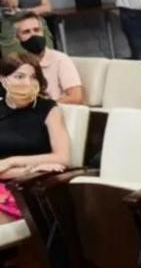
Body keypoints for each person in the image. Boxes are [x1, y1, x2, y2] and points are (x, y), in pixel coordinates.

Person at [0, 53, 70, 223]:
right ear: (3, 79)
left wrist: (12, 161)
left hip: (30, 186)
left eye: (33, 77)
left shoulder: (48, 109)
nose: (27, 83)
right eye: (19, 76)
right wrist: (25, 169)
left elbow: (62, 157)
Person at [11, 13, 84, 104]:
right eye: (26, 32)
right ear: (17, 39)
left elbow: (76, 97)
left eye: (37, 30)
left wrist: (45, 108)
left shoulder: (60, 60)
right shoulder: (18, 64)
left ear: (43, 32)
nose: (33, 35)